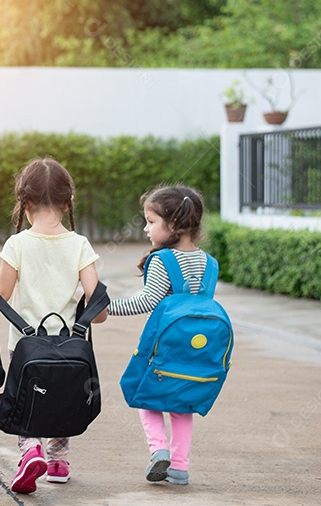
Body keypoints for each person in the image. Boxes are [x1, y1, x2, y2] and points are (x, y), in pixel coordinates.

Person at [0, 157, 107, 494]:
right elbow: (98, 308)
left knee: (29, 397)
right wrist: (91, 316)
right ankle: (58, 461)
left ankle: (30, 452)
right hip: (70, 346)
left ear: (24, 203)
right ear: (69, 202)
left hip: (25, 347)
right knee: (62, 394)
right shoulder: (80, 245)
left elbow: (0, 296)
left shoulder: (18, 244)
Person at [108, 184, 209, 487]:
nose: (145, 229)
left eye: (151, 222)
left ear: (174, 224)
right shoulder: (209, 263)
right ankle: (179, 468)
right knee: (182, 405)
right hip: (196, 349)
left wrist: (106, 308)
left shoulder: (164, 260)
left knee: (145, 395)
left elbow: (146, 301)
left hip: (162, 347)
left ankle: (159, 450)